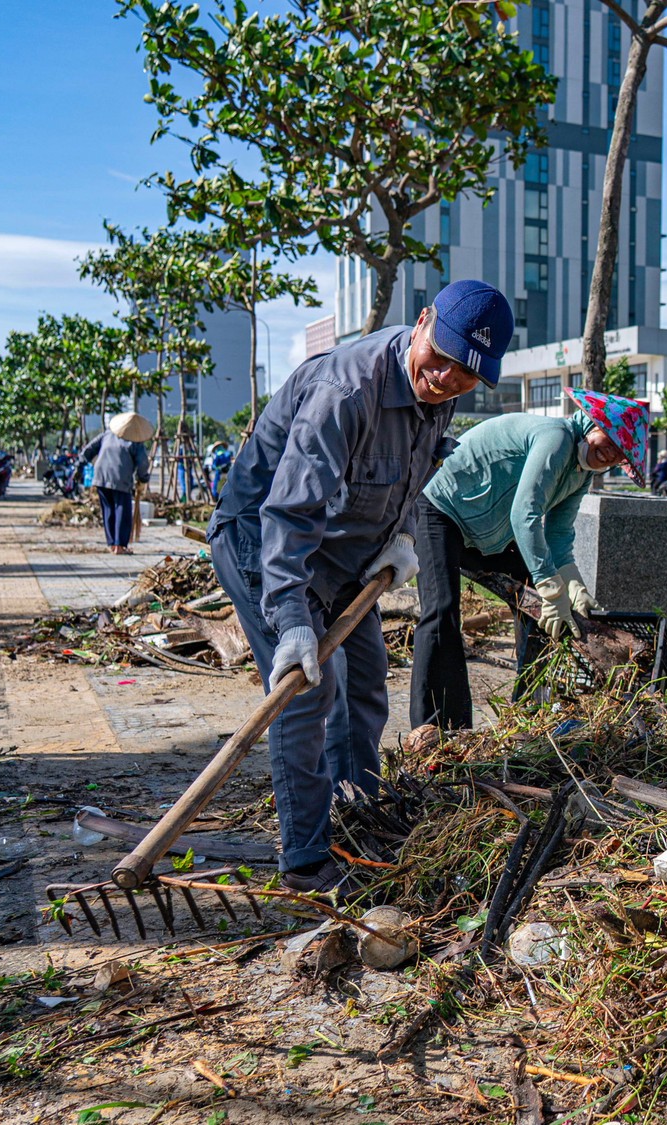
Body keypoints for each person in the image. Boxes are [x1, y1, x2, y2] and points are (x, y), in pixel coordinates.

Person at [208, 279, 511, 893]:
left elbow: (412, 470)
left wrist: (394, 542)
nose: (448, 377)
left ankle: (355, 811)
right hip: (266, 546)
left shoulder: (442, 392)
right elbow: (289, 513)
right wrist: (291, 616)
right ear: (422, 322)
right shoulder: (345, 390)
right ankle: (306, 857)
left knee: (367, 679)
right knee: (304, 692)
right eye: (443, 357)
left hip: (344, 553)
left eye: (466, 373)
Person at [410, 389, 646, 731]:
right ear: (594, 423)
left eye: (619, 453)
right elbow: (525, 514)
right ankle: (440, 729)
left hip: (485, 530)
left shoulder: (581, 473)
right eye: (609, 440)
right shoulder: (556, 439)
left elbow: (559, 535)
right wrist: (552, 587)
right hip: (441, 509)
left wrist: (572, 584)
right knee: (441, 611)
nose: (610, 453)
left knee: (537, 606)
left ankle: (527, 710)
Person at [80, 414, 153, 554]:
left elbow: (88, 449)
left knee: (108, 510)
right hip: (120, 479)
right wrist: (143, 479)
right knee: (122, 510)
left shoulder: (107, 435)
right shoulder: (135, 442)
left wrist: (81, 463)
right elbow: (142, 463)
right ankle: (119, 546)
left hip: (100, 476)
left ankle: (112, 543)